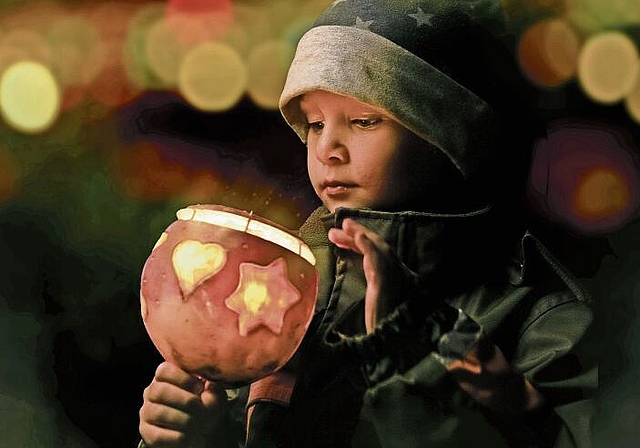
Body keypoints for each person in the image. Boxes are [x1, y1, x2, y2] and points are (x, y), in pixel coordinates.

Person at [137, 1, 597, 447]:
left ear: (445, 138)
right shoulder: (275, 284)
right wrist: (198, 435)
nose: (327, 149)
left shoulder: (534, 315)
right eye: (315, 124)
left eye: (363, 120)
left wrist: (411, 341)